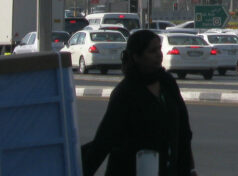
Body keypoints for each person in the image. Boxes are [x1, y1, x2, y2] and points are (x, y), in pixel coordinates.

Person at [82, 29, 198, 176]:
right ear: (136, 57)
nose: (159, 54)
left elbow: (183, 132)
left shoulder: (167, 83)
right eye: (152, 51)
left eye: (159, 49)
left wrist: (191, 169)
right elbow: (104, 140)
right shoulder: (125, 93)